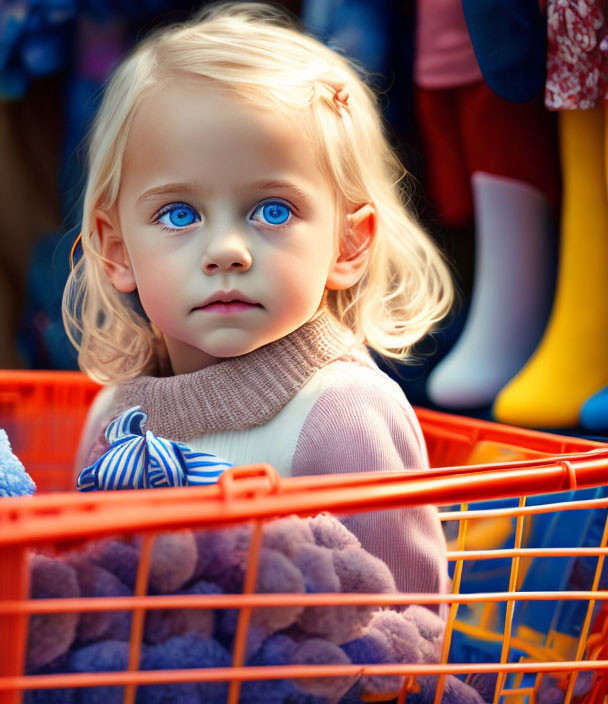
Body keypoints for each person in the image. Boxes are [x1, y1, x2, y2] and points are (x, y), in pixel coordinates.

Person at [62, 2, 453, 603]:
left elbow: (409, 634)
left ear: (347, 245)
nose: (226, 252)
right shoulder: (112, 418)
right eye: (179, 214)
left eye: (273, 210)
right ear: (116, 251)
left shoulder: (340, 415)